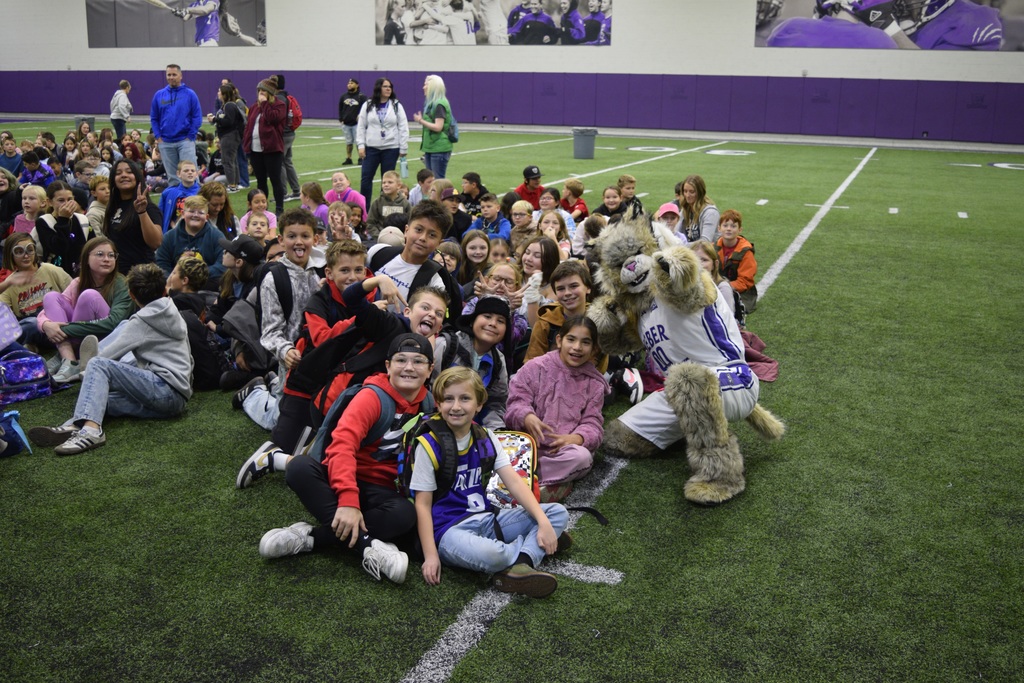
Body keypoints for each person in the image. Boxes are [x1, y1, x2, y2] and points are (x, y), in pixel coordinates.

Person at [256, 333, 435, 585]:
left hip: (381, 491)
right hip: (340, 480)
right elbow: (342, 446)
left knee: (405, 515)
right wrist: (349, 501)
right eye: (400, 360)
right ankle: (368, 545)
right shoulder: (371, 397)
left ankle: (312, 538)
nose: (408, 367)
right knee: (299, 468)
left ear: (430, 369)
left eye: (418, 361)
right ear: (387, 366)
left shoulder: (429, 403)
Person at [413, 366, 569, 596]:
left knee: (557, 513)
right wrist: (431, 556)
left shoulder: (486, 437)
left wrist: (543, 522)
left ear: (478, 405)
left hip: (487, 520)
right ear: (438, 404)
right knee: (497, 555)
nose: (456, 406)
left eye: (465, 398)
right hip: (449, 532)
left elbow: (515, 483)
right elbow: (422, 504)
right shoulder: (429, 445)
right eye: (448, 399)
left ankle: (523, 561)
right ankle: (530, 547)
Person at [28, 263, 192, 456]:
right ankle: (72, 427)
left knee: (98, 365)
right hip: (176, 400)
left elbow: (103, 359)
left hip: (164, 391)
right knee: (98, 399)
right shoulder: (171, 309)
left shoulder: (141, 322)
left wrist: (88, 370)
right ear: (165, 289)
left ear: (131, 295)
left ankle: (91, 432)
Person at [506, 315, 606, 502]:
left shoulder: (595, 383)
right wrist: (527, 417)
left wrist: (575, 438)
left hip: (561, 453)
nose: (577, 347)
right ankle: (549, 484)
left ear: (594, 349)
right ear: (559, 340)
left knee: (582, 458)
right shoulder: (535, 367)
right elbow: (515, 402)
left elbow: (593, 423)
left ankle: (525, 481)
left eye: (585, 342)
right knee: (499, 452)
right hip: (527, 447)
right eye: (571, 339)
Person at [38, 236, 133, 383]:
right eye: (100, 254)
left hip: (105, 339)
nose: (107, 259)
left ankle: (64, 355)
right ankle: (69, 360)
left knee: (89, 296)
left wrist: (63, 330)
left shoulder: (122, 284)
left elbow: (113, 323)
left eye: (111, 255)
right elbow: (48, 311)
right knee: (51, 297)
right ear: (86, 259)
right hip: (79, 336)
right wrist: (46, 325)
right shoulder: (78, 282)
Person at [0, 233, 72, 348]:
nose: (26, 255)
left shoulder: (51, 270)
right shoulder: (10, 282)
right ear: (11, 255)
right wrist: (7, 283)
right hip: (33, 325)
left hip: (58, 320)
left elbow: (74, 293)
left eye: (29, 250)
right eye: (19, 251)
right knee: (29, 324)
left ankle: (34, 345)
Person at [101, 159, 163, 274]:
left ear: (137, 177)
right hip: (116, 275)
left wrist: (142, 212)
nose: (123, 175)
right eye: (118, 173)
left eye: (129, 172)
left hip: (141, 276)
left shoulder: (149, 208)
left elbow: (156, 242)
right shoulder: (113, 207)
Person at [356, 78, 409, 206]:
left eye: (390, 86)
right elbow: (361, 126)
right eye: (385, 86)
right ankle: (364, 210)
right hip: (371, 148)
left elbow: (403, 127)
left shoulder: (396, 105)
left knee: (387, 181)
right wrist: (361, 145)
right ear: (378, 88)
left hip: (391, 148)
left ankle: (383, 208)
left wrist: (403, 148)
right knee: (366, 179)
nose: (388, 89)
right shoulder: (368, 104)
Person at [150, 65, 202, 188]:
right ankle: (177, 203)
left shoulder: (190, 94)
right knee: (173, 177)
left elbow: (197, 116)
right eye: (169, 75)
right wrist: (158, 137)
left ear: (180, 76)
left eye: (174, 74)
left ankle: (195, 201)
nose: (171, 77)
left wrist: (190, 136)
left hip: (185, 140)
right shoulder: (159, 95)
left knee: (190, 172)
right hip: (166, 142)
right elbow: (154, 118)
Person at [155, 195, 228, 281]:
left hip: (208, 287)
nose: (195, 215)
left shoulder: (217, 236)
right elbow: (161, 266)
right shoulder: (169, 237)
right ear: (183, 214)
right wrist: (178, 278)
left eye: (200, 213)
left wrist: (196, 275)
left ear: (207, 217)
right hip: (176, 287)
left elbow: (223, 265)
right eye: (191, 211)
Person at [242, 78, 287, 216]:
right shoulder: (255, 107)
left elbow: (272, 118)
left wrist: (265, 103)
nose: (260, 94)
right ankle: (263, 207)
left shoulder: (279, 105)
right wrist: (246, 145)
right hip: (256, 149)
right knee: (261, 181)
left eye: (263, 91)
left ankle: (279, 208)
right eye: (259, 91)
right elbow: (249, 126)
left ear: (269, 93)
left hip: (272, 149)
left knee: (275, 180)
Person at [32, 181, 94, 278]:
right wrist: (63, 220)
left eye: (70, 199)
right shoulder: (44, 222)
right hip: (56, 275)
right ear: (50, 202)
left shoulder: (82, 219)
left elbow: (92, 245)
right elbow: (59, 248)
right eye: (61, 200)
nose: (66, 204)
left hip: (82, 274)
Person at [715, 209, 758, 314]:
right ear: (719, 228)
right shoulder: (714, 247)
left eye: (733, 226)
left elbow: (745, 281)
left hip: (741, 292)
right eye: (725, 226)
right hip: (718, 286)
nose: (729, 229)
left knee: (733, 310)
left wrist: (724, 287)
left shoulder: (745, 251)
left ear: (740, 230)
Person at [413, 74, 455, 179]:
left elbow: (438, 127)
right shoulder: (432, 103)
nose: (423, 87)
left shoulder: (439, 104)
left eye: (425, 84)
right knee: (431, 180)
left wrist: (421, 121)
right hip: (432, 147)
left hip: (439, 148)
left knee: (438, 180)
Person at [209, 83, 245, 192]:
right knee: (232, 160)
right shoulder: (228, 105)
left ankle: (232, 185)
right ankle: (235, 183)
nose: (218, 93)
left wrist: (215, 119)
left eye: (220, 91)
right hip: (230, 135)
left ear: (224, 94)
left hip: (229, 136)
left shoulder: (229, 105)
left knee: (227, 161)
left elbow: (229, 121)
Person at [365, 170, 412, 240]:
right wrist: (379, 236)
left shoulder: (405, 203)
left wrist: (404, 236)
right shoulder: (377, 202)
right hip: (381, 239)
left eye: (390, 182)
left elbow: (411, 222)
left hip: (401, 239)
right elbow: (370, 223)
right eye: (384, 182)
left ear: (398, 186)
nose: (386, 185)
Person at [157, 160, 200, 233]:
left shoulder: (202, 192)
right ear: (178, 174)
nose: (190, 172)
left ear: (196, 174)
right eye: (186, 171)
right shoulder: (168, 192)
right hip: (173, 232)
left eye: (193, 171)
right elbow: (160, 214)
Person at [679, 174, 720, 243]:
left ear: (700, 192)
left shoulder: (710, 213)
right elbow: (676, 234)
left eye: (692, 192)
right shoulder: (685, 210)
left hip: (706, 252)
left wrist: (682, 247)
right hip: (687, 251)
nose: (688, 195)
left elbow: (705, 242)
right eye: (685, 191)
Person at [338, 78, 367, 166]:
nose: (349, 85)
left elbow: (366, 108)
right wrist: (341, 118)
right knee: (348, 142)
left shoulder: (361, 97)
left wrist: (361, 117)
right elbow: (340, 108)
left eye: (352, 83)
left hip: (357, 124)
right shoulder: (344, 96)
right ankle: (348, 158)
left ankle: (361, 158)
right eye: (348, 83)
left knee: (359, 142)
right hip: (346, 123)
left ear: (357, 85)